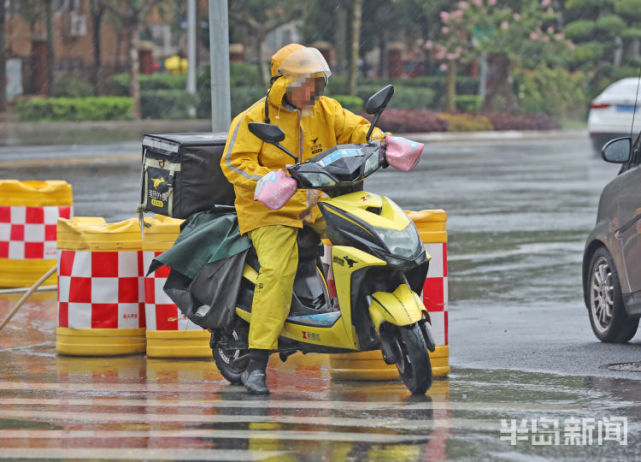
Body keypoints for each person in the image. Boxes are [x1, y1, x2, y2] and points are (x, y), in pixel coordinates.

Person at [220, 43, 384, 394]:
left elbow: (356, 130)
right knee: (277, 272)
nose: (312, 91)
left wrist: (383, 142)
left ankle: (363, 316)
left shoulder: (326, 110)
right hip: (270, 211)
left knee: (367, 234)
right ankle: (256, 362)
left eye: (316, 83)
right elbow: (234, 163)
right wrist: (265, 180)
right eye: (305, 84)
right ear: (284, 84)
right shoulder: (252, 119)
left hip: (317, 201)